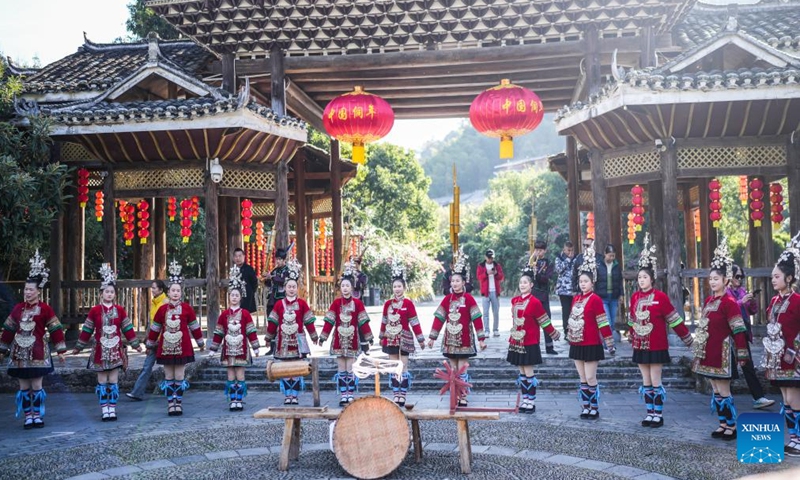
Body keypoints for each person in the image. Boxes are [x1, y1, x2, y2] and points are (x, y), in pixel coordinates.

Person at [629, 234, 693, 428]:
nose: (641, 280)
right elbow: (632, 321)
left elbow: (674, 319)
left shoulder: (660, 297)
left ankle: (659, 413)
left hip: (656, 345)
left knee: (656, 380)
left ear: (652, 279)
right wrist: (632, 337)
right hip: (640, 345)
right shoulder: (634, 298)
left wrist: (688, 339)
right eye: (639, 277)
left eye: (645, 277)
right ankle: (649, 413)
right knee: (645, 381)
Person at [0, 250, 66, 429]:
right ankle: (28, 416)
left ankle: (37, 415)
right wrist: (2, 350)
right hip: (19, 354)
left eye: (30, 289)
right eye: (26, 289)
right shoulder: (18, 309)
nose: (27, 292)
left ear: (38, 291)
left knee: (37, 386)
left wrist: (60, 350)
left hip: (38, 352)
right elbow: (8, 329)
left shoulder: (45, 309)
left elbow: (55, 329)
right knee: (23, 387)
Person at [691, 238, 748, 441]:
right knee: (715, 389)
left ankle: (731, 426)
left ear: (726, 280)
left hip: (723, 353)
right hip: (709, 351)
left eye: (716, 278)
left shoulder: (729, 302)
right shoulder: (709, 301)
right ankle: (722, 424)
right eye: (710, 279)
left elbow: (738, 329)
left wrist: (742, 353)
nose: (712, 282)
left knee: (724, 390)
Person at [73, 264, 142, 421]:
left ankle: (113, 408)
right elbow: (87, 329)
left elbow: (127, 328)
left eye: (112, 292)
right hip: (100, 351)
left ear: (114, 294)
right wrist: (79, 347)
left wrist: (136, 345)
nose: (109, 294)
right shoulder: (95, 310)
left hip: (116, 350)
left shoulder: (120, 310)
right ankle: (104, 409)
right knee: (102, 380)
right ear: (101, 293)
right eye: (107, 291)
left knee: (113, 380)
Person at [428, 249, 486, 407]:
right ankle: (455, 395)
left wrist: (481, 339)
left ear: (463, 282)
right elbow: (439, 319)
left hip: (465, 340)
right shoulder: (447, 299)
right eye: (452, 281)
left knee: (462, 369)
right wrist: (432, 337)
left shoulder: (469, 299)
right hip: (450, 340)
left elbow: (477, 319)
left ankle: (463, 396)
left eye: (457, 281)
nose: (454, 284)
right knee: (453, 370)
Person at [146, 260, 205, 416]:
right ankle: (170, 403)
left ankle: (178, 403)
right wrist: (150, 343)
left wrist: (200, 342)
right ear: (169, 292)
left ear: (181, 292)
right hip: (165, 346)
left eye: (178, 290)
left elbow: (194, 326)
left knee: (179, 375)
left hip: (182, 346)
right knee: (168, 375)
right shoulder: (162, 309)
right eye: (173, 290)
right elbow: (155, 328)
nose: (175, 293)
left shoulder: (187, 309)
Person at [762, 233, 800, 457]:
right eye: (772, 277)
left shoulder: (797, 301)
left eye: (776, 276)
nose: (773, 280)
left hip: (793, 355)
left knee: (795, 395)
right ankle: (793, 437)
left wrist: (794, 349)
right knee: (785, 396)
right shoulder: (775, 300)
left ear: (788, 278)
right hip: (776, 356)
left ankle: (799, 439)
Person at [567, 242, 615, 420]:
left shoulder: (595, 300)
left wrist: (609, 343)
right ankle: (585, 407)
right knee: (582, 378)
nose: (583, 284)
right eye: (580, 281)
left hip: (591, 343)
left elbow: (603, 322)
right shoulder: (576, 299)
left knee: (590, 377)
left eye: (586, 281)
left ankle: (594, 407)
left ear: (592, 282)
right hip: (577, 343)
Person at [508, 260, 561, 413]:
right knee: (522, 372)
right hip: (516, 341)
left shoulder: (535, 302)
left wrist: (554, 333)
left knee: (529, 371)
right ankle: (524, 400)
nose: (522, 285)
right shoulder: (515, 301)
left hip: (530, 341)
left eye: (525, 282)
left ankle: (531, 401)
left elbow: (544, 321)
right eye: (521, 282)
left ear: (531, 285)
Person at [318, 263, 374, 406]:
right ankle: (344, 395)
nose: (345, 288)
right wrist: (323, 337)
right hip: (338, 340)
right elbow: (329, 321)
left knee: (350, 368)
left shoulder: (358, 304)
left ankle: (351, 393)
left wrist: (369, 337)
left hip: (353, 340)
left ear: (352, 287)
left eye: (347, 286)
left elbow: (363, 322)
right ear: (340, 288)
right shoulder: (336, 304)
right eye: (343, 286)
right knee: (341, 368)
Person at [265, 259, 318, 405]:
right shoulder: (278, 304)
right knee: (284, 368)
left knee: (295, 368)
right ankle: (287, 395)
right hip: (283, 342)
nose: (291, 289)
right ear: (285, 287)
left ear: (297, 288)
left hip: (298, 341)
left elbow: (308, 322)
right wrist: (268, 337)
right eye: (289, 286)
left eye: (294, 286)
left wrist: (314, 336)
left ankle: (294, 395)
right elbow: (273, 323)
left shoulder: (302, 304)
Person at [209, 266, 260, 411]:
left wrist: (256, 347)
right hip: (228, 350)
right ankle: (232, 400)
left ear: (241, 297)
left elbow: (251, 331)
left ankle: (239, 399)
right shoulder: (224, 314)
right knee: (230, 374)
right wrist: (213, 349)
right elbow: (219, 333)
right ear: (228, 297)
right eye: (232, 295)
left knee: (240, 374)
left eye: (237, 295)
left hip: (242, 349)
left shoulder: (245, 314)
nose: (234, 297)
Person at [728, 264, 775, 410]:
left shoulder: (742, 291)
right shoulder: (725, 292)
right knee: (728, 367)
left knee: (747, 365)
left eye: (742, 277)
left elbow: (752, 311)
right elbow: (727, 309)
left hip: (742, 332)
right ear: (729, 277)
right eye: (737, 277)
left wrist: (752, 302)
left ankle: (759, 397)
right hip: (729, 335)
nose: (740, 280)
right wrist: (740, 302)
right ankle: (721, 396)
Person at [379, 262, 425, 406]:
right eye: (395, 286)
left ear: (404, 288)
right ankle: (396, 393)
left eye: (399, 286)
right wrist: (381, 336)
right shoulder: (387, 304)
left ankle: (403, 393)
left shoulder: (408, 304)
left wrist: (421, 339)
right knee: (394, 365)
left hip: (405, 339)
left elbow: (414, 322)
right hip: (390, 339)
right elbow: (384, 321)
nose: (397, 289)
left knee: (403, 365)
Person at [127, 279, 168, 401]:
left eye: (154, 288)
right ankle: (137, 392)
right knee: (147, 366)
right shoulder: (154, 302)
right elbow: (152, 324)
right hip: (154, 340)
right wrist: (148, 338)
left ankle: (173, 392)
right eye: (152, 288)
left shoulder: (165, 303)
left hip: (164, 341)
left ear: (161, 290)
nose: (152, 290)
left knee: (169, 367)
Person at [530, 240, 558, 355]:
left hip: (543, 296)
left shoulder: (549, 263)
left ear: (545, 251)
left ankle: (549, 347)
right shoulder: (531, 262)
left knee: (546, 321)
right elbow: (526, 278)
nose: (538, 252)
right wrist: (531, 270)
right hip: (533, 296)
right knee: (532, 323)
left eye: (540, 250)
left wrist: (538, 273)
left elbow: (547, 278)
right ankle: (534, 347)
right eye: (536, 250)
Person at [264, 248, 289, 356]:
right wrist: (267, 278)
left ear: (284, 260)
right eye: (276, 259)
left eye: (279, 259)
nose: (277, 261)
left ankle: (284, 346)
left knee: (282, 323)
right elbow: (269, 284)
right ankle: (272, 347)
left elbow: (283, 281)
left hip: (282, 301)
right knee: (271, 322)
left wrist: (272, 277)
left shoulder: (288, 269)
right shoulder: (274, 270)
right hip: (272, 301)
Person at [597, 244, 623, 344]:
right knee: (606, 321)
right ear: (605, 254)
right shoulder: (599, 265)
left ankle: (607, 342)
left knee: (612, 322)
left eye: (613, 256)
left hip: (614, 297)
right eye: (609, 255)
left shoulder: (616, 266)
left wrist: (621, 294)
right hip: (602, 297)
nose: (611, 258)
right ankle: (607, 344)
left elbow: (620, 281)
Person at [476, 249, 504, 337]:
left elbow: (501, 277)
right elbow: (479, 277)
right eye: (488, 258)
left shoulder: (497, 265)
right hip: (485, 292)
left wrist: (495, 273)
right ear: (485, 257)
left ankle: (495, 330)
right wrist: (486, 273)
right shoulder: (481, 266)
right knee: (485, 313)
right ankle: (486, 330)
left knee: (496, 312)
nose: (490, 259)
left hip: (495, 292)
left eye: (491, 258)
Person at [555, 241, 576, 336]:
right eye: (568, 250)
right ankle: (566, 331)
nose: (570, 252)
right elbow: (558, 270)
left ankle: (575, 331)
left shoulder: (576, 258)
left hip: (574, 289)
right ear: (564, 249)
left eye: (571, 250)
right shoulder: (559, 258)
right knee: (566, 311)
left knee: (575, 311)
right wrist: (567, 259)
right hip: (563, 290)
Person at [233, 247, 259, 314]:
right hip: (235, 296)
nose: (238, 258)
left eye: (240, 256)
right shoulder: (233, 269)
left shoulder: (249, 269)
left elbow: (254, 283)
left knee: (246, 316)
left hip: (247, 296)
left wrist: (250, 291)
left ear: (244, 256)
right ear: (233, 258)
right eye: (236, 256)